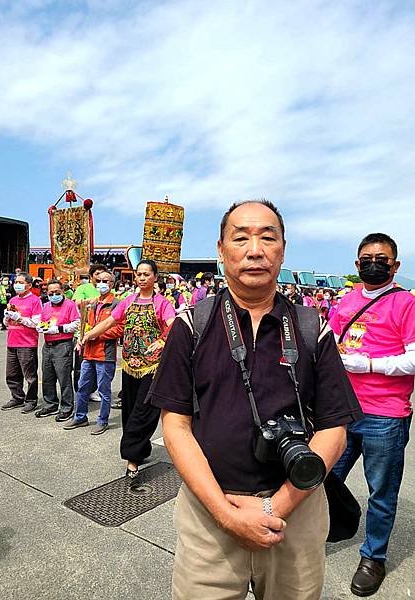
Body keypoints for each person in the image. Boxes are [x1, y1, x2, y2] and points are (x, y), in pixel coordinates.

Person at [148, 200, 362, 600]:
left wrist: (275, 508)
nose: (255, 249)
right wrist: (226, 515)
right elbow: (175, 428)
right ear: (221, 249)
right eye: (241, 237)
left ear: (283, 248)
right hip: (210, 513)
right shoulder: (190, 326)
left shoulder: (312, 328)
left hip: (295, 513)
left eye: (268, 237)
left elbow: (334, 428)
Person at [329, 232, 415, 597]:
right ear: (356, 264)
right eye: (367, 257)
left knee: (381, 491)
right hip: (342, 411)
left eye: (381, 258)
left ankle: (373, 556)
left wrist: (368, 364)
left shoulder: (406, 303)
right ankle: (325, 529)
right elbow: (328, 347)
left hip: (386, 414)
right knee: (322, 478)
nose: (373, 263)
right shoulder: (344, 302)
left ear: (395, 266)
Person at [81, 259, 175, 476]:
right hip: (129, 365)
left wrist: (161, 341)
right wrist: (89, 334)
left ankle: (132, 459)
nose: (141, 278)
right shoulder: (128, 301)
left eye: (146, 274)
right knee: (130, 410)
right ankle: (142, 449)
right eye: (138, 274)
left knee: (143, 411)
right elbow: (110, 322)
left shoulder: (162, 303)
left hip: (152, 366)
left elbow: (173, 325)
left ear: (155, 277)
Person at [64, 273, 124, 435]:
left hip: (105, 355)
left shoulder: (117, 304)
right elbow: (86, 325)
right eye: (98, 281)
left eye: (105, 281)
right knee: (82, 387)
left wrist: (96, 334)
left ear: (112, 284)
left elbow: (119, 329)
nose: (101, 284)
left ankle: (102, 420)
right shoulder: (94, 303)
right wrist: (82, 337)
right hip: (88, 353)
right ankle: (80, 417)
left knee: (104, 391)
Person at [35, 280, 80, 422]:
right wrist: (40, 327)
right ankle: (50, 403)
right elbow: (43, 321)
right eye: (51, 293)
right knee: (47, 377)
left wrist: (60, 328)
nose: (54, 295)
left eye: (57, 292)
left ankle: (67, 407)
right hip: (48, 344)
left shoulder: (70, 305)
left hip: (63, 344)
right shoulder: (46, 305)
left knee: (64, 377)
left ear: (63, 292)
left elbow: (76, 324)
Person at [1, 272, 42, 413]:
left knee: (30, 375)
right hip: (12, 341)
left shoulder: (35, 300)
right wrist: (6, 318)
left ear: (29, 285)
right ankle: (17, 397)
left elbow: (36, 324)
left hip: (27, 343)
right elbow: (6, 322)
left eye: (20, 282)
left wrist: (19, 318)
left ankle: (31, 400)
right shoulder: (12, 300)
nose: (16, 284)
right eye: (16, 282)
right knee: (12, 374)